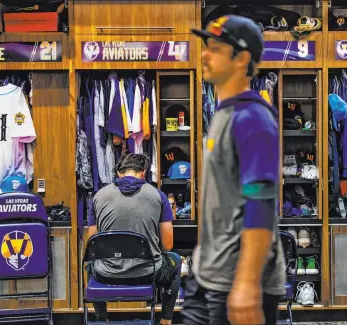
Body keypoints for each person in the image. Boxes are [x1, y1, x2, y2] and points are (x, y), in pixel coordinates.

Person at [183, 15, 285, 325]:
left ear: (241, 59)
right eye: (206, 46)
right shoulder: (223, 113)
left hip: (237, 280)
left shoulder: (253, 118)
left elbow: (261, 201)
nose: (204, 54)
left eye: (215, 48)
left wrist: (247, 282)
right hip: (208, 273)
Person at [87, 151, 181, 324]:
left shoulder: (98, 197)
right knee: (175, 260)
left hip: (106, 274)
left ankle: (102, 318)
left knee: (91, 263)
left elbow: (93, 244)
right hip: (148, 274)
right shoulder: (158, 196)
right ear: (143, 172)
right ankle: (166, 320)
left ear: (118, 173)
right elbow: (168, 245)